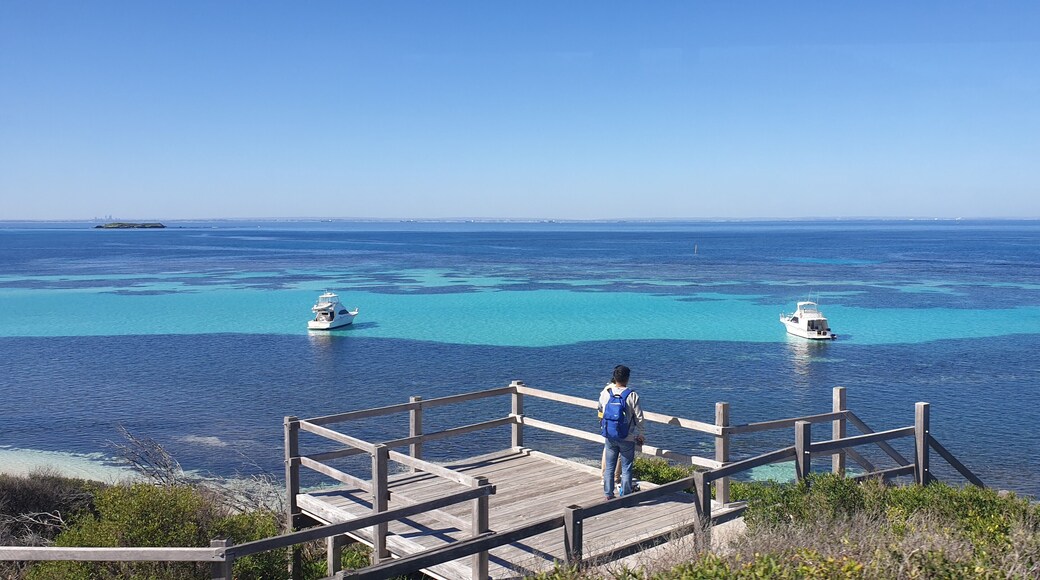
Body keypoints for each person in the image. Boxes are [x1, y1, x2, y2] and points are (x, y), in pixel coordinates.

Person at [598, 364, 644, 499]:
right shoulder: (632, 395)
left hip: (610, 435)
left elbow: (600, 410)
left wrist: (604, 426)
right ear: (627, 378)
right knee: (626, 468)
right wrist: (641, 434)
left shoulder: (606, 393)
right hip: (627, 437)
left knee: (609, 467)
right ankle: (626, 495)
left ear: (614, 377)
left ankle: (608, 494)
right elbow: (639, 417)